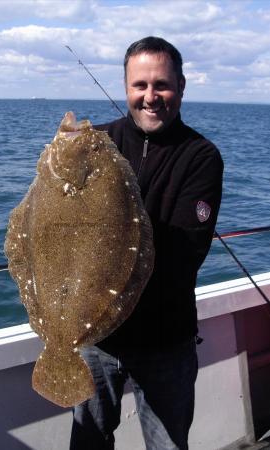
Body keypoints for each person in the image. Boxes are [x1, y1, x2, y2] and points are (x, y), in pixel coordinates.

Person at [70, 36, 223, 450]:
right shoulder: (92, 143)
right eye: (140, 85)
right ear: (125, 88)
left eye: (162, 85)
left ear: (182, 86)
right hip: (94, 339)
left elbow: (184, 256)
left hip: (165, 341)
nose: (150, 97)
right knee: (87, 441)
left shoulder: (201, 157)